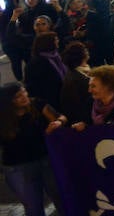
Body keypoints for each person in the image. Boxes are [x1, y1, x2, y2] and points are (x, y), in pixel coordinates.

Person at [0, 83, 66, 216]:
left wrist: (58, 123)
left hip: (45, 159)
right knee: (33, 206)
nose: (24, 97)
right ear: (9, 101)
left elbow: (61, 117)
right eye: (18, 96)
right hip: (18, 166)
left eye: (24, 92)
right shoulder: (3, 117)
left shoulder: (37, 104)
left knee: (60, 197)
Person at [24, 32, 65, 111]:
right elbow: (32, 87)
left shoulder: (57, 56)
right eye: (55, 40)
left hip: (61, 96)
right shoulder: (36, 63)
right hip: (48, 100)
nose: (58, 41)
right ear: (48, 43)